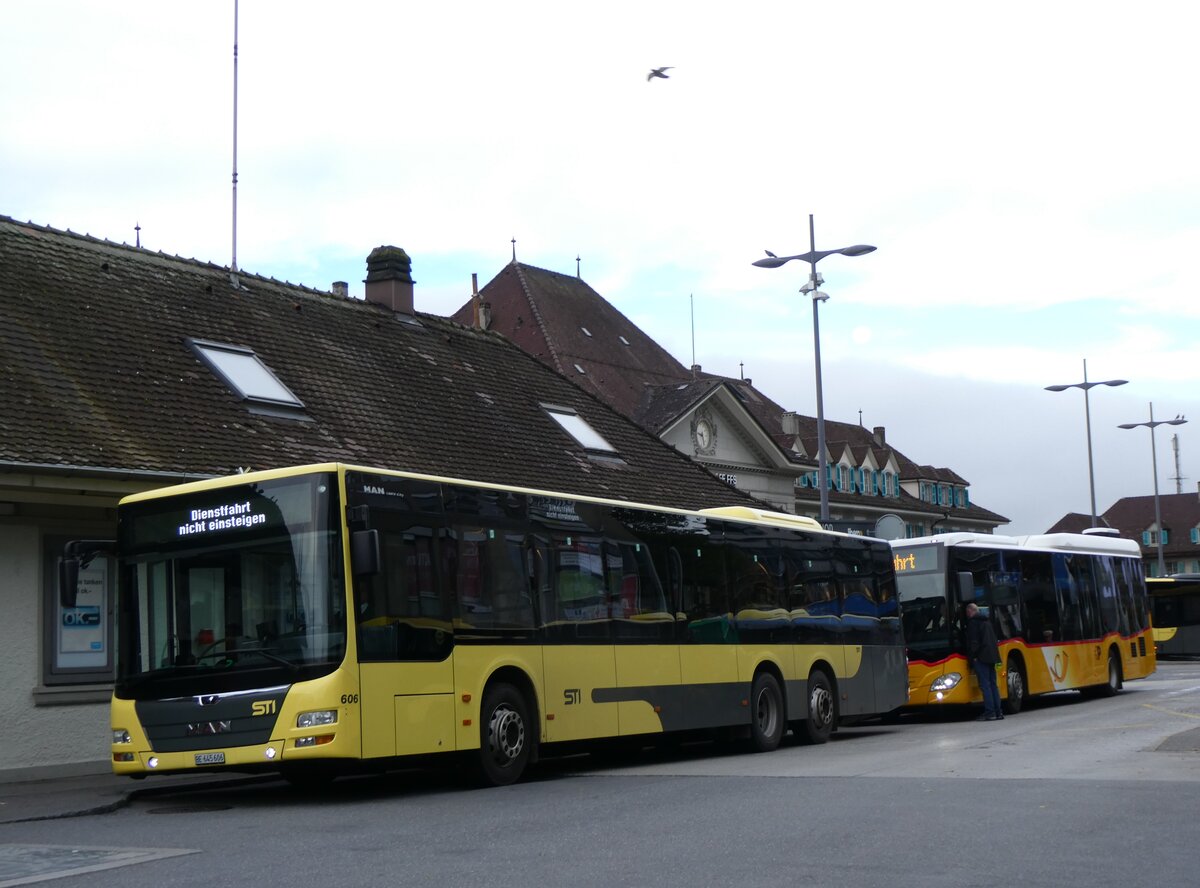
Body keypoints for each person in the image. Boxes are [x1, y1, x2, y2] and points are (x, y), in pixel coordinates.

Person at [965, 602, 1003, 721]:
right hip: (992, 657)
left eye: (967, 613)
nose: (967, 615)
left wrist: (974, 656)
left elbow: (974, 642)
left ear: (970, 611)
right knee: (993, 685)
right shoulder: (987, 621)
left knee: (985, 685)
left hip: (981, 657)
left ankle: (990, 712)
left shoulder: (973, 623)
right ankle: (998, 712)